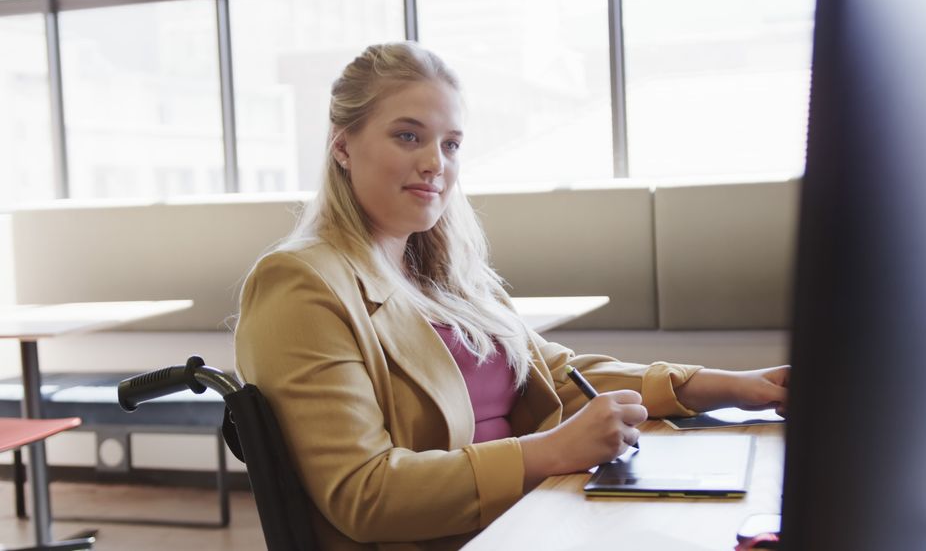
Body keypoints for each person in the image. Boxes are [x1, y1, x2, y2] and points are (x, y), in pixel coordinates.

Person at [234, 41, 789, 551]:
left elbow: (559, 376)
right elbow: (366, 494)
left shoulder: (444, 272)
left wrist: (735, 387)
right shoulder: (300, 282)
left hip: (529, 522)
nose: (436, 162)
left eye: (450, 144)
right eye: (409, 136)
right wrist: (553, 452)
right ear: (343, 146)